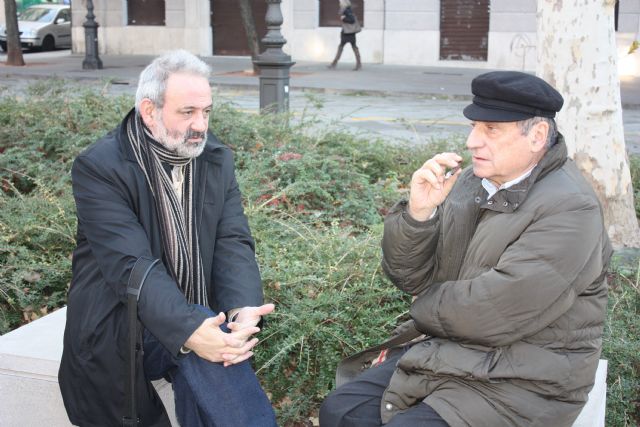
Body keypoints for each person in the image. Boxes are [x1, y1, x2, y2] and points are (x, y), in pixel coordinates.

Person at [319, 71, 613, 427]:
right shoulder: (472, 182)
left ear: (537, 136)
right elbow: (407, 275)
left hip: (526, 379)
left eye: (491, 130)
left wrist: (423, 304)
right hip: (452, 352)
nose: (473, 142)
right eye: (474, 126)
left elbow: (493, 312)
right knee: (340, 412)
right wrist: (419, 214)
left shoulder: (571, 207)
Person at [58, 50, 277, 427]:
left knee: (215, 338)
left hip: (193, 308)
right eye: (187, 112)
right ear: (149, 111)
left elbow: (233, 241)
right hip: (120, 323)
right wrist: (192, 330)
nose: (201, 125)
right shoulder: (100, 167)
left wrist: (243, 310)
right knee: (207, 337)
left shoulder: (214, 159)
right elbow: (132, 267)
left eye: (207, 111)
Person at [328, 0, 362, 71]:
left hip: (347, 33)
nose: (339, 3)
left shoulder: (346, 10)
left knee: (342, 47)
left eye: (340, 2)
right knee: (352, 47)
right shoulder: (347, 9)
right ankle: (358, 64)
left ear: (343, 3)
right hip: (348, 32)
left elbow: (352, 20)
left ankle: (334, 63)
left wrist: (344, 18)